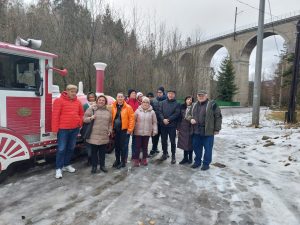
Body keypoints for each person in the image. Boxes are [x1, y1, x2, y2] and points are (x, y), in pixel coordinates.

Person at [52, 84, 84, 179]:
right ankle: (58, 168)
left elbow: (81, 114)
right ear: (67, 91)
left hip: (74, 129)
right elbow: (55, 115)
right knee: (61, 149)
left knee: (71, 148)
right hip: (63, 129)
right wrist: (54, 129)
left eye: (75, 92)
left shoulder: (78, 102)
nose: (73, 93)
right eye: (72, 91)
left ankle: (66, 165)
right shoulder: (59, 101)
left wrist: (79, 123)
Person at [186, 90, 222, 170]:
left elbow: (218, 117)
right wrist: (191, 119)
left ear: (206, 96)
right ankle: (197, 162)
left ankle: (206, 163)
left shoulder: (212, 104)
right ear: (197, 96)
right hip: (196, 131)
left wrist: (217, 129)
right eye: (199, 96)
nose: (201, 97)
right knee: (196, 148)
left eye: (202, 95)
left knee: (208, 149)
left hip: (208, 131)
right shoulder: (194, 105)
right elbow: (187, 115)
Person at [83, 95, 112, 174]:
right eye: (100, 100)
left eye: (103, 100)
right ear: (97, 101)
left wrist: (110, 130)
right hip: (93, 135)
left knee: (102, 152)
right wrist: (90, 118)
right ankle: (94, 166)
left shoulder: (108, 110)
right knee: (94, 153)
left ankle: (102, 166)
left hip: (104, 135)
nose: (101, 101)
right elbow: (84, 119)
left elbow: (110, 122)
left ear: (105, 102)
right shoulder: (92, 108)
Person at [111, 92, 135, 169]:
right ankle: (117, 160)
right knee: (117, 146)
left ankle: (123, 161)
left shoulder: (128, 107)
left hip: (124, 130)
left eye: (121, 97)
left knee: (123, 147)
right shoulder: (113, 106)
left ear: (124, 98)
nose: (120, 98)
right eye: (119, 97)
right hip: (115, 130)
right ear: (116, 97)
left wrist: (130, 130)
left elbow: (132, 119)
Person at [133, 97, 158, 166]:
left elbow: (154, 122)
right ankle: (136, 159)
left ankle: (144, 159)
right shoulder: (137, 111)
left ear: (149, 103)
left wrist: (155, 130)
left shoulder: (152, 112)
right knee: (137, 146)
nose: (145, 104)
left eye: (147, 102)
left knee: (145, 147)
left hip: (147, 132)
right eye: (144, 102)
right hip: (138, 132)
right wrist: (131, 129)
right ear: (141, 103)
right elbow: (133, 121)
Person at [157, 90, 180, 164]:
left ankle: (173, 156)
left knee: (173, 141)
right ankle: (164, 154)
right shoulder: (162, 103)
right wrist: (163, 119)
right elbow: (159, 112)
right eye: (169, 94)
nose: (170, 95)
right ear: (167, 94)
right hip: (163, 125)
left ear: (174, 95)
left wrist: (169, 119)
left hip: (172, 126)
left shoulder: (177, 104)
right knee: (163, 140)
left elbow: (177, 113)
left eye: (172, 94)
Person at [149, 87, 166, 157]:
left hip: (163, 122)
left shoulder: (166, 100)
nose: (159, 94)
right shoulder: (153, 101)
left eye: (160, 92)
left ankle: (165, 152)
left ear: (163, 93)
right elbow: (151, 109)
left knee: (164, 139)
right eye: (158, 92)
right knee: (154, 137)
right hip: (155, 122)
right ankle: (154, 148)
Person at [177, 96, 194, 164]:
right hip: (183, 128)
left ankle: (190, 158)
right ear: (185, 100)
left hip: (191, 128)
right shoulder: (182, 107)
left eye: (191, 100)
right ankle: (185, 158)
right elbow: (179, 118)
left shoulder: (194, 108)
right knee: (184, 144)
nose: (189, 100)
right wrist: (178, 128)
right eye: (188, 99)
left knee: (190, 144)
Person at [82, 92, 97, 166]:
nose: (91, 98)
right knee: (87, 144)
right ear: (88, 98)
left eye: (93, 97)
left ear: (95, 97)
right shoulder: (85, 106)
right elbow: (82, 117)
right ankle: (89, 159)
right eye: (90, 97)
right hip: (86, 126)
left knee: (94, 144)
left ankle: (94, 159)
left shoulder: (98, 105)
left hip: (95, 126)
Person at [125, 89, 139, 161]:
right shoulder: (126, 103)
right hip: (128, 125)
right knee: (126, 142)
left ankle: (134, 156)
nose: (134, 94)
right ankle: (125, 157)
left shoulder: (138, 102)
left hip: (136, 124)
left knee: (135, 142)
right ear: (129, 94)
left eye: (135, 93)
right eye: (132, 93)